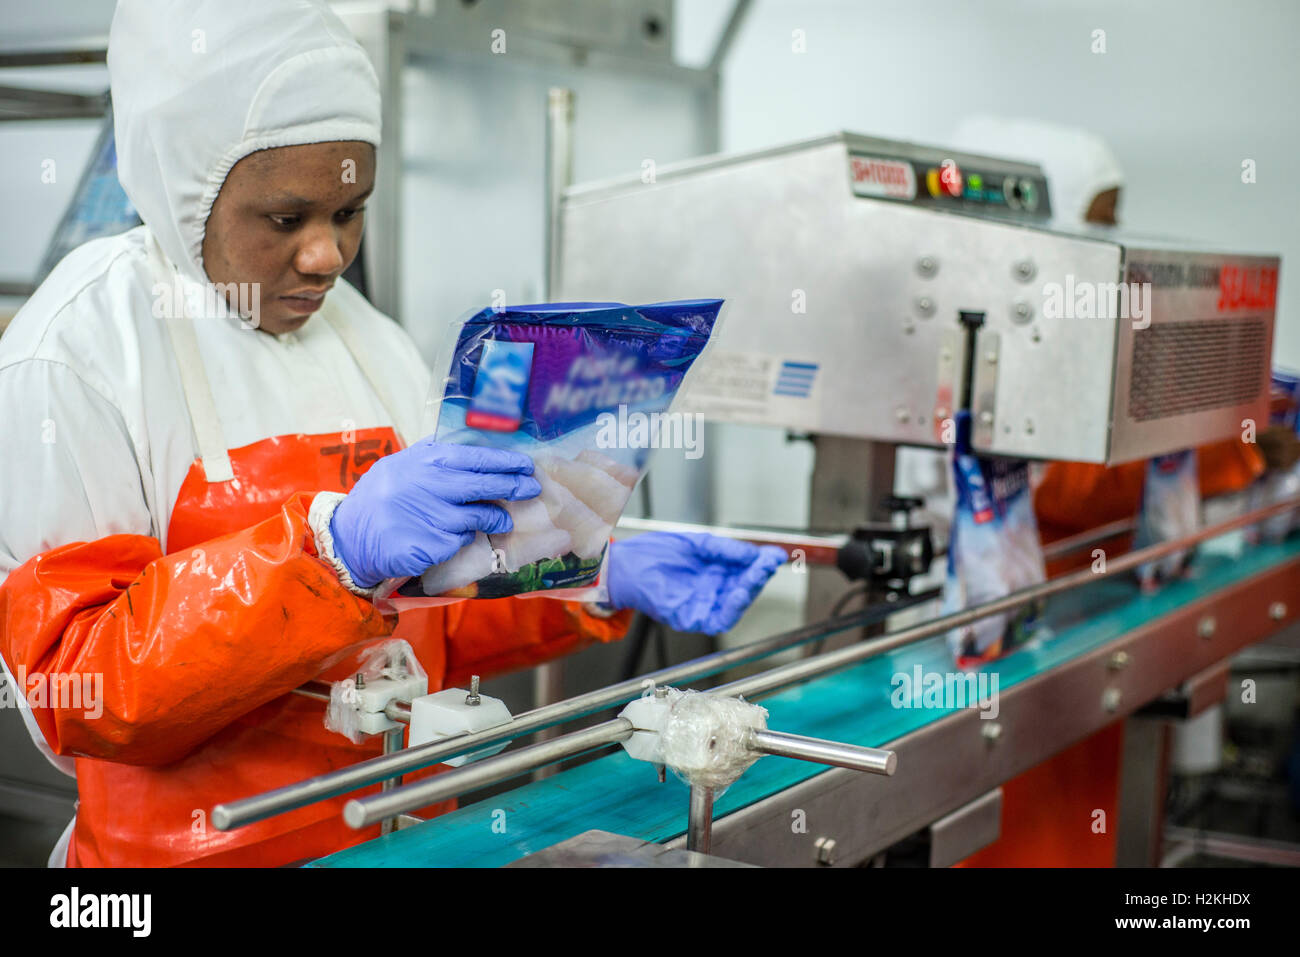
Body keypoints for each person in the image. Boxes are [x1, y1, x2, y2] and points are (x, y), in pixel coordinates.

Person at [0, 0, 784, 868]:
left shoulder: (367, 341)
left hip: (406, 835)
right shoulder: (80, 353)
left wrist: (587, 572)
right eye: (286, 218)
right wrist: (327, 554)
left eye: (349, 212)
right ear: (185, 188)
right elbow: (73, 688)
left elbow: (433, 616)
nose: (328, 255)